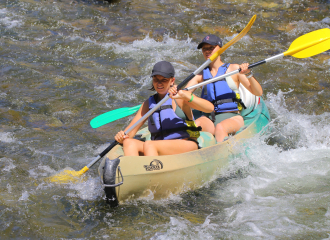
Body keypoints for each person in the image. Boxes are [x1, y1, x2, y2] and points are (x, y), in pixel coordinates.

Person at [115, 61, 214, 156]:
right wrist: (122, 136)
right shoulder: (148, 104)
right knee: (129, 143)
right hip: (159, 146)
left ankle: (153, 171)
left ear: (172, 81)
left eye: (164, 80)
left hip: (186, 143)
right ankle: (134, 171)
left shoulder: (180, 97)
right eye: (156, 79)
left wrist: (187, 96)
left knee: (150, 145)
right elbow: (131, 131)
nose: (159, 83)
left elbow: (209, 108)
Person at [184, 34, 263, 143]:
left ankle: (222, 155)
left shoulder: (234, 69)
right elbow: (184, 94)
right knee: (194, 126)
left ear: (220, 49)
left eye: (211, 48)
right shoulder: (201, 75)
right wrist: (176, 92)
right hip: (209, 119)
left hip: (232, 117)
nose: (207, 51)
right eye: (204, 49)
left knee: (220, 128)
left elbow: (258, 92)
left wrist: (248, 74)